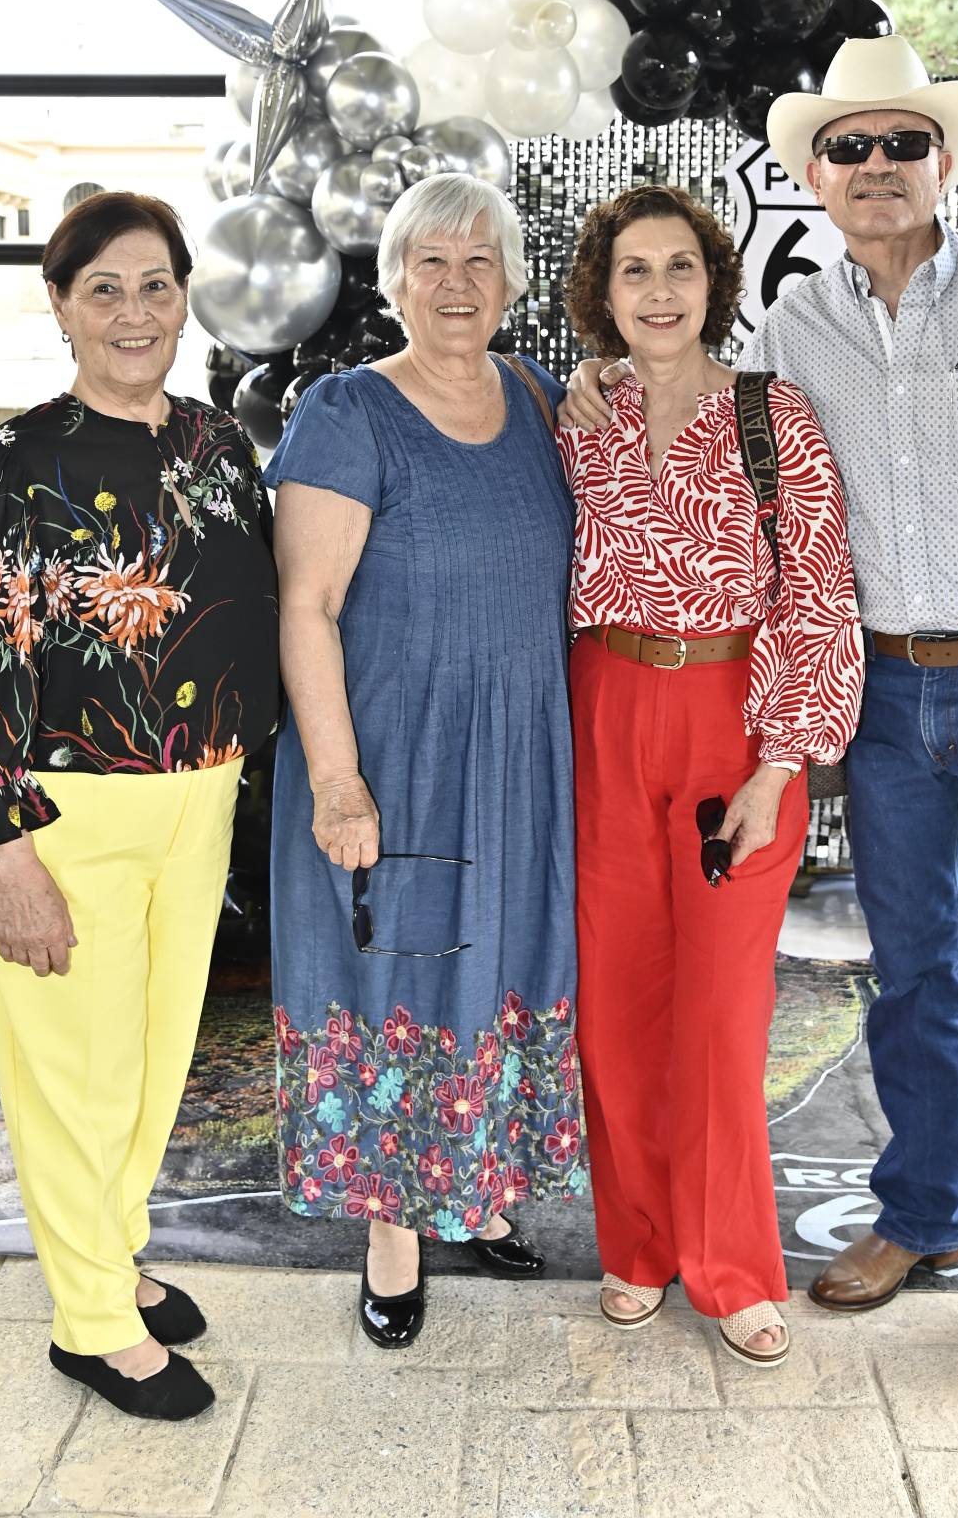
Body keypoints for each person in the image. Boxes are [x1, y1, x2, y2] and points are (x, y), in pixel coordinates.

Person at [564, 36, 958, 1429]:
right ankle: (916, 1213)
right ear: (812, 176)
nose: (874, 168)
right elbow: (699, 415)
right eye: (846, 149)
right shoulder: (790, 333)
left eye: (899, 143)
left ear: (940, 160)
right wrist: (597, 381)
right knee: (902, 981)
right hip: (883, 701)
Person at [0, 192, 280, 1421]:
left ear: (184, 296)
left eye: (153, 285)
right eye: (103, 288)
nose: (132, 311)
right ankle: (92, 1322)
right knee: (71, 1073)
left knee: (154, 1061)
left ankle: (110, 1248)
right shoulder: (11, 465)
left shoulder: (218, 446)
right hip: (57, 811)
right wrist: (2, 853)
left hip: (196, 796)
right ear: (60, 303)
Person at [266, 170, 583, 1351]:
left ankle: (479, 1182)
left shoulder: (541, 397)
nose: (455, 285)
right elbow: (307, 605)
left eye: (479, 261)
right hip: (395, 756)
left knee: (500, 960)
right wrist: (339, 781)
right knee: (399, 976)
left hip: (519, 758)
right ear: (393, 279)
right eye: (429, 262)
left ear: (510, 280)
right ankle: (393, 1234)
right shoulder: (348, 411)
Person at [557, 183, 862, 1366]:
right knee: (618, 1009)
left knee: (723, 1015)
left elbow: (817, 595)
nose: (658, 291)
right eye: (633, 271)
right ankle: (634, 1245)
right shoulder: (575, 415)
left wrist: (777, 764)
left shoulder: (768, 413)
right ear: (605, 293)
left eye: (677, 267)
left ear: (712, 282)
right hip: (602, 706)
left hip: (733, 721)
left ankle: (730, 1262)